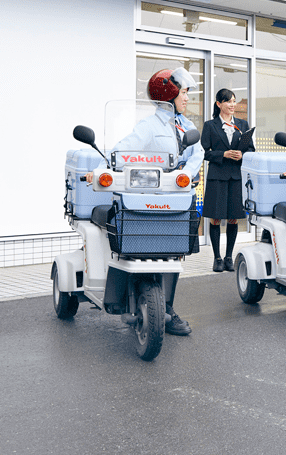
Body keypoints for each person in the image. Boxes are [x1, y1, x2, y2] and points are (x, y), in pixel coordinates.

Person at [85, 67, 203, 336]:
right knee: (146, 248)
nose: (187, 98)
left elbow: (198, 154)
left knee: (172, 254)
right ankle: (151, 303)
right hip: (149, 199)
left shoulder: (187, 126)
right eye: (184, 92)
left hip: (177, 199)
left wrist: (185, 174)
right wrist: (101, 168)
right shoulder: (149, 126)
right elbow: (123, 151)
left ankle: (167, 309)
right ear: (170, 94)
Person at [201, 89, 255, 273]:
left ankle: (229, 256)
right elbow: (205, 153)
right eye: (228, 101)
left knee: (233, 218)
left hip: (236, 177)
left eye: (234, 101)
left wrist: (242, 154)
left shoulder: (242, 124)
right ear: (219, 104)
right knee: (216, 218)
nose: (232, 105)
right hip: (217, 176)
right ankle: (217, 258)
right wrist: (222, 154)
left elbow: (251, 150)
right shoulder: (210, 125)